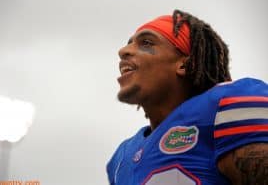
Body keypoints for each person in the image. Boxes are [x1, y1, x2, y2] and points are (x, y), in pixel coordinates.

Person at [106, 9, 268, 185]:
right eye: (128, 43)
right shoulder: (121, 158)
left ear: (184, 64)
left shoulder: (226, 104)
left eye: (146, 43)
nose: (123, 51)